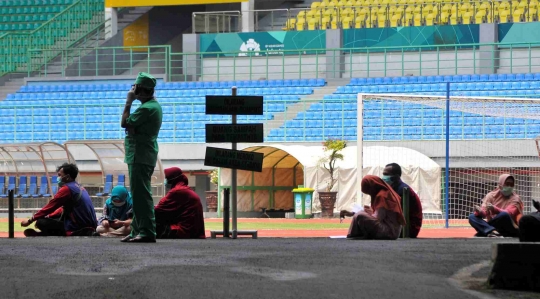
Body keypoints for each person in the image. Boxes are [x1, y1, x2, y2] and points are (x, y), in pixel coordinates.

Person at [121, 72, 163, 243]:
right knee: (137, 195)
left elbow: (124, 123)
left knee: (142, 196)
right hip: (139, 154)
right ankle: (136, 231)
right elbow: (129, 127)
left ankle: (146, 232)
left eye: (135, 88)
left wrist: (128, 102)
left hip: (141, 155)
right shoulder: (151, 106)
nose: (133, 90)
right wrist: (132, 128)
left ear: (142, 90)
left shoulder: (147, 108)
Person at [21, 163, 98, 237]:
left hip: (78, 225)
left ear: (67, 176)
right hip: (89, 224)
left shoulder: (67, 189)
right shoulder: (79, 187)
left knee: (41, 222)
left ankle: (76, 232)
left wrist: (30, 220)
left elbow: (50, 206)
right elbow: (61, 209)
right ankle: (44, 234)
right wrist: (49, 216)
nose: (58, 178)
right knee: (50, 218)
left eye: (60, 175)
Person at [340, 175, 406, 240]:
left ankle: (354, 235)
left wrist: (363, 212)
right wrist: (353, 213)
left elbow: (378, 217)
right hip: (392, 230)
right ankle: (355, 234)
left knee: (360, 215)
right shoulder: (386, 192)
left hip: (389, 231)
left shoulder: (382, 196)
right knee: (361, 213)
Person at [154, 167, 206, 239]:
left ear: (172, 179)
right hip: (193, 231)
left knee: (148, 222)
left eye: (166, 178)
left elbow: (159, 210)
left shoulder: (177, 191)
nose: (165, 181)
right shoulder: (184, 189)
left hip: (183, 231)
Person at [382, 163, 423, 238]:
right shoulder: (394, 188)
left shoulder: (403, 190)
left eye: (386, 174)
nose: (383, 177)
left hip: (408, 229)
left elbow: (396, 213)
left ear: (396, 176)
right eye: (383, 174)